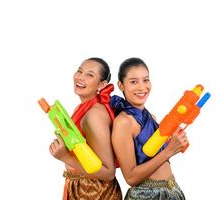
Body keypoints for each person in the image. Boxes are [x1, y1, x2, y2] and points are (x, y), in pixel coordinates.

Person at [110, 58, 187, 200]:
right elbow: (131, 177)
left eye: (145, 80)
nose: (142, 87)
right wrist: (169, 150)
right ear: (121, 85)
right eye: (134, 81)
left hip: (172, 190)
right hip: (146, 195)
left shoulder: (149, 116)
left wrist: (174, 140)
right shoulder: (123, 122)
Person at [49, 58, 122, 200]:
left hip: (95, 192)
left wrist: (64, 156)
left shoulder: (94, 115)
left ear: (101, 84)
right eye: (79, 71)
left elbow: (108, 173)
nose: (80, 77)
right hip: (82, 187)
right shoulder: (84, 107)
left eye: (90, 75)